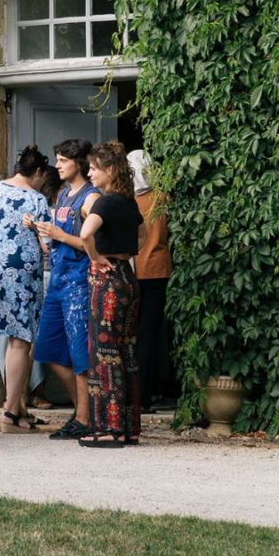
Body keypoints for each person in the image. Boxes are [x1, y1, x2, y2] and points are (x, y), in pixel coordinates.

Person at [29, 138, 101, 441]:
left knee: (80, 353)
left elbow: (94, 244)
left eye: (63, 160)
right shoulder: (62, 194)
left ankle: (84, 418)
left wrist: (59, 235)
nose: (57, 166)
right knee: (45, 348)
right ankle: (84, 410)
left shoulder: (91, 197)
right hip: (57, 280)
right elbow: (57, 237)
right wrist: (41, 230)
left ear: (79, 163)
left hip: (78, 282)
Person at [0, 145, 50, 433]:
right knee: (21, 341)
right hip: (21, 275)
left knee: (9, 337)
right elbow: (47, 242)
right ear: (38, 172)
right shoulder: (36, 199)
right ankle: (10, 413)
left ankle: (18, 407)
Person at [78, 140, 144, 448]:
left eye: (94, 168)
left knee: (104, 352)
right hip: (127, 276)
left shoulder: (104, 203)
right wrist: (123, 254)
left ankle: (108, 428)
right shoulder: (129, 203)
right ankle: (129, 427)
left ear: (110, 170)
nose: (90, 174)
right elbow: (142, 236)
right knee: (126, 351)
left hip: (108, 281)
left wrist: (95, 258)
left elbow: (85, 233)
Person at [128, 149, 174, 412]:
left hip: (133, 270)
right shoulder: (163, 198)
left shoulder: (127, 201)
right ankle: (148, 392)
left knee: (133, 333)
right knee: (151, 333)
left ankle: (136, 393)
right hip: (158, 271)